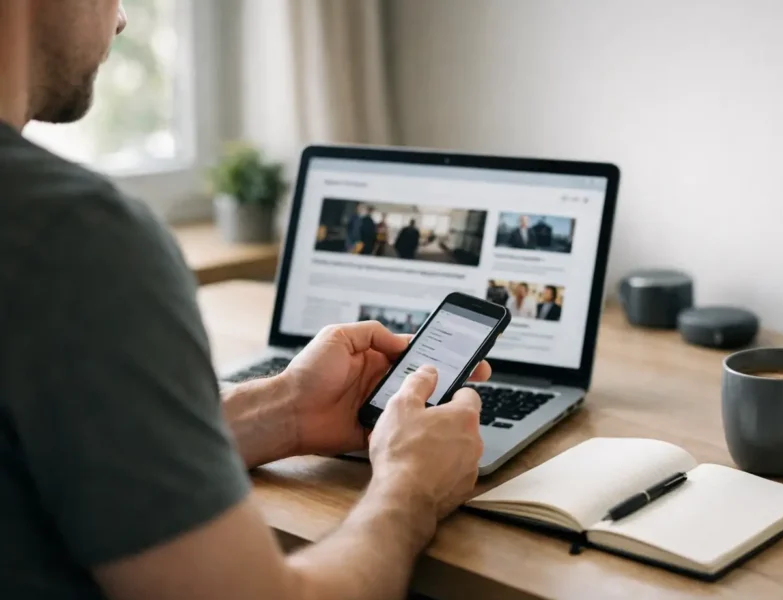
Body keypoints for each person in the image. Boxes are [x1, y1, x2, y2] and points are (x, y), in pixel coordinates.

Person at [0, 2, 489, 599]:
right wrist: (410, 488)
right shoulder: (75, 238)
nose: (121, 18)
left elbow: (68, 450)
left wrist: (284, 409)